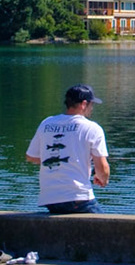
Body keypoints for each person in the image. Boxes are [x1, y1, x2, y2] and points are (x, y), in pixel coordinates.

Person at [24, 84, 111, 214]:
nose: (91, 108)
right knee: (106, 230)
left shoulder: (47, 123)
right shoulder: (92, 128)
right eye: (91, 105)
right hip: (77, 197)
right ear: (83, 104)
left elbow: (31, 156)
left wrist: (57, 160)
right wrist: (102, 179)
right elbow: (102, 168)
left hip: (49, 199)